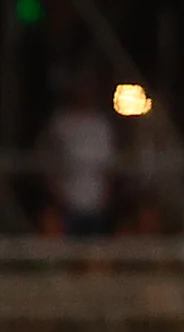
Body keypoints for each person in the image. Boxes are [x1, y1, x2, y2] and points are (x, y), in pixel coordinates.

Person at [39, 74, 115, 236]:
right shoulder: (61, 123)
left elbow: (108, 165)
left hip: (96, 202)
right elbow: (48, 159)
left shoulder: (102, 125)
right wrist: (57, 193)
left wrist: (106, 195)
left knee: (94, 250)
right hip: (67, 201)